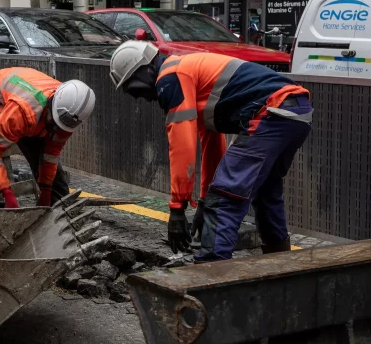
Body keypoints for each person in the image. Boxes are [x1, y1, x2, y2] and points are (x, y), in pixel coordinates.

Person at [109, 41, 312, 262]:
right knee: (265, 193)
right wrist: (204, 203)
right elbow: (212, 145)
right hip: (295, 112)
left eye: (135, 88)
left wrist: (178, 208)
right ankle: (280, 267)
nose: (142, 98)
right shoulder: (191, 75)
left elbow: (181, 144)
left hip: (273, 110)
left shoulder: (170, 77)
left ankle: (209, 276)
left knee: (225, 199)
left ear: (146, 69)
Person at [0, 67, 96, 208]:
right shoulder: (23, 111)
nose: (56, 130)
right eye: (54, 123)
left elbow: (50, 155)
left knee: (54, 175)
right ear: (53, 106)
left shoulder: (69, 117)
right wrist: (7, 193)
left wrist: (46, 190)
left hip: (28, 113)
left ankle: (60, 213)